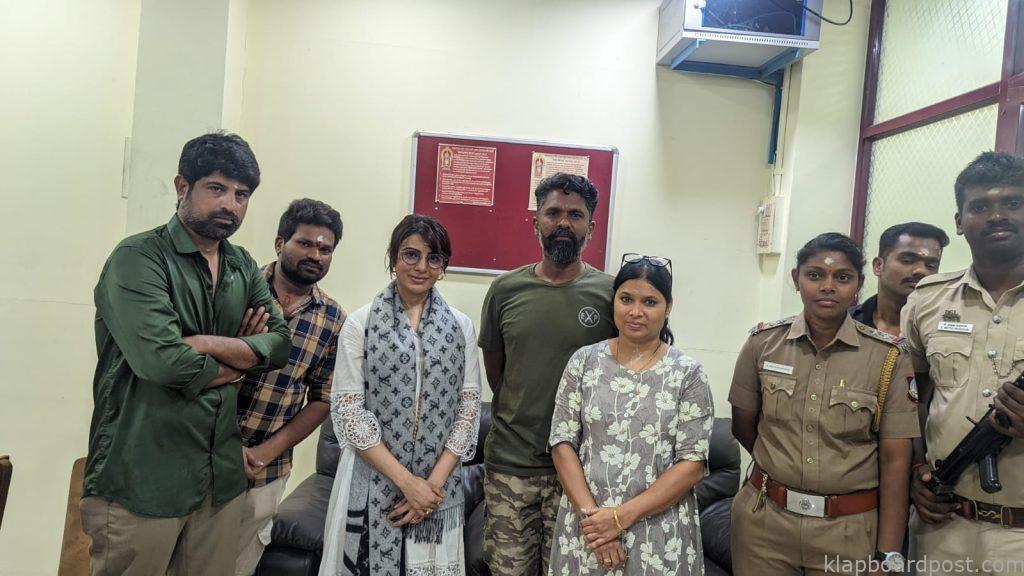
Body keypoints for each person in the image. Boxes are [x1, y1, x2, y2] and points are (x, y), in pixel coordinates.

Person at [81, 132, 292, 576]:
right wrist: (240, 364)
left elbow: (279, 343)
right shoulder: (138, 258)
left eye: (241, 195)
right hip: (144, 477)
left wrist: (208, 344)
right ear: (183, 186)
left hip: (218, 479)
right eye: (216, 189)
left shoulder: (240, 266)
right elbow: (162, 362)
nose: (230, 205)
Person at [729, 232, 919, 575]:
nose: (828, 286)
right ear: (796, 280)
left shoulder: (888, 357)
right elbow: (743, 425)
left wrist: (888, 553)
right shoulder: (763, 344)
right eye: (815, 275)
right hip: (764, 524)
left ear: (858, 284)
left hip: (847, 531)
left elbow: (895, 461)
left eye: (842, 277)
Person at [319, 214, 481, 576]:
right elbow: (349, 412)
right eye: (411, 255)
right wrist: (408, 483)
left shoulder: (461, 327)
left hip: (438, 491)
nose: (421, 267)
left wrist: (430, 489)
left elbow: (467, 410)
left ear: (443, 266)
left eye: (433, 258)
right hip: (370, 477)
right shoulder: (359, 324)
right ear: (393, 257)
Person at [479, 173, 616, 576]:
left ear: (590, 228)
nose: (563, 223)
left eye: (575, 215)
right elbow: (497, 372)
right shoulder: (505, 290)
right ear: (535, 221)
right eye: (553, 212)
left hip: (580, 472)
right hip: (510, 464)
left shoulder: (610, 294)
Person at [549, 254, 712, 575]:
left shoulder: (688, 374)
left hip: (658, 533)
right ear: (614, 302)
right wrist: (595, 521)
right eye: (626, 299)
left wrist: (620, 518)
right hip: (587, 528)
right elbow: (561, 442)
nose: (636, 312)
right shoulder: (584, 362)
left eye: (650, 302)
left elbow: (692, 464)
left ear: (668, 307)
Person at [905, 152, 1024, 571]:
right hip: (944, 524)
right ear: (959, 222)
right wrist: (916, 470)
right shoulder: (926, 299)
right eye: (980, 206)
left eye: (1013, 203)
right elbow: (912, 399)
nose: (997, 216)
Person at [235, 199, 347, 575]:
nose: (315, 254)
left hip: (265, 469)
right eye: (305, 243)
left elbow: (322, 400)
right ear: (280, 243)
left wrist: (265, 452)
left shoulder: (333, 320)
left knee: (239, 564)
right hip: (199, 453)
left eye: (325, 248)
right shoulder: (238, 289)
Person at [849, 222, 948, 337]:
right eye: (907, 261)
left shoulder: (944, 328)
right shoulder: (845, 322)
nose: (921, 271)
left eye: (931, 266)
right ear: (878, 266)